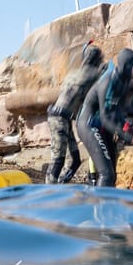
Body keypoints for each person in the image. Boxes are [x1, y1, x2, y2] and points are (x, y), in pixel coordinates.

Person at [76, 48, 133, 187]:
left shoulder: (122, 83)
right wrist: (132, 138)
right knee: (107, 174)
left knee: (111, 174)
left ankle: (100, 203)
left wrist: (132, 124)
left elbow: (116, 112)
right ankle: (100, 207)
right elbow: (106, 117)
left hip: (103, 128)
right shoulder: (109, 82)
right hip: (88, 125)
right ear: (126, 67)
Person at [46, 42, 105, 184]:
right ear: (97, 59)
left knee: (75, 160)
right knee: (58, 160)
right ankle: (48, 194)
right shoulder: (93, 74)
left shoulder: (74, 74)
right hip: (59, 118)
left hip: (61, 117)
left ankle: (60, 184)